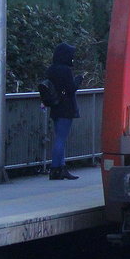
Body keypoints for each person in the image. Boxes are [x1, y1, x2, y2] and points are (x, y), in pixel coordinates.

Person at [45, 42, 81, 180]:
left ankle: (61, 167)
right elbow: (71, 88)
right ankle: (55, 168)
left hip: (55, 106)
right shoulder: (65, 70)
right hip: (66, 107)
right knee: (61, 139)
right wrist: (78, 80)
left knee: (59, 136)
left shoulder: (51, 69)